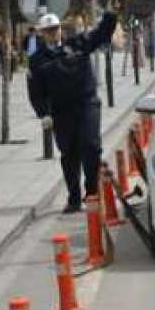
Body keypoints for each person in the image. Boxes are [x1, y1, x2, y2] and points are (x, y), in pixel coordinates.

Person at [28, 11, 117, 213]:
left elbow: (101, 33)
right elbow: (36, 92)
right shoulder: (36, 60)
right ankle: (74, 197)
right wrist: (44, 114)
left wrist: (111, 15)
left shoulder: (78, 43)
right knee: (69, 153)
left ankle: (92, 191)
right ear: (42, 33)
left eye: (56, 29)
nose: (53, 33)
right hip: (61, 111)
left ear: (61, 28)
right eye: (48, 31)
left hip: (87, 103)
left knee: (91, 146)